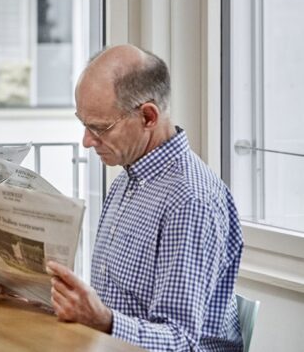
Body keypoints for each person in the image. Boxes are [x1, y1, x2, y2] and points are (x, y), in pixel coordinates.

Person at [45, 45, 243, 351]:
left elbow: (181, 341)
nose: (86, 141)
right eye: (83, 124)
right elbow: (116, 300)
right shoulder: (129, 177)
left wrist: (104, 321)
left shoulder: (189, 200)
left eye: (99, 128)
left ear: (148, 116)